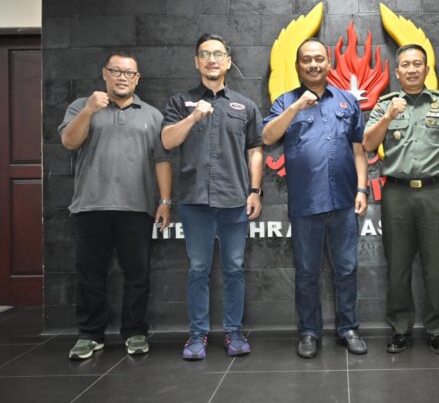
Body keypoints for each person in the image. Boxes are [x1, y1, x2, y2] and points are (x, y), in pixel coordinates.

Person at [60, 52, 172, 360]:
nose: (123, 77)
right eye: (116, 71)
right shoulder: (82, 106)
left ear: (137, 79)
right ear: (105, 74)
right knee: (90, 274)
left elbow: (162, 160)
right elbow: (69, 142)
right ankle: (89, 335)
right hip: (90, 206)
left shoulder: (152, 115)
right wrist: (89, 110)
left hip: (136, 208)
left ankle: (135, 332)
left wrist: (165, 201)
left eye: (129, 73)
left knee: (137, 274)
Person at [263, 38, 369, 359]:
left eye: (319, 59)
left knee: (347, 269)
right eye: (306, 60)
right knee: (307, 272)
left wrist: (362, 189)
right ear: (298, 66)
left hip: (343, 202)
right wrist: (296, 107)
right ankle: (309, 332)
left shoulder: (347, 101)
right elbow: (268, 136)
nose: (313, 64)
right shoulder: (285, 101)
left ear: (329, 63)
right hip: (306, 204)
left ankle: (348, 329)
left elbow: (359, 150)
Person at [161, 34, 263, 360]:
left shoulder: (245, 106)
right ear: (196, 62)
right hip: (194, 201)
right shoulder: (181, 102)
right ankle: (197, 335)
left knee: (234, 268)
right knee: (198, 269)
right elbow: (167, 141)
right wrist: (193, 118)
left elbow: (255, 151)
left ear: (228, 61)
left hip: (234, 200)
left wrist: (255, 191)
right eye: (205, 54)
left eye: (218, 54)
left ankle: (234, 332)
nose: (211, 59)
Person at [363, 44, 439, 355]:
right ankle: (400, 329)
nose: (411, 69)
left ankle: (437, 330)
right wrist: (388, 117)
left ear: (426, 69)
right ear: (397, 72)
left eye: (417, 64)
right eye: (406, 65)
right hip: (397, 193)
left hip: (436, 192)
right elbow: (368, 144)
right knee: (398, 266)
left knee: (436, 266)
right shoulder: (385, 105)